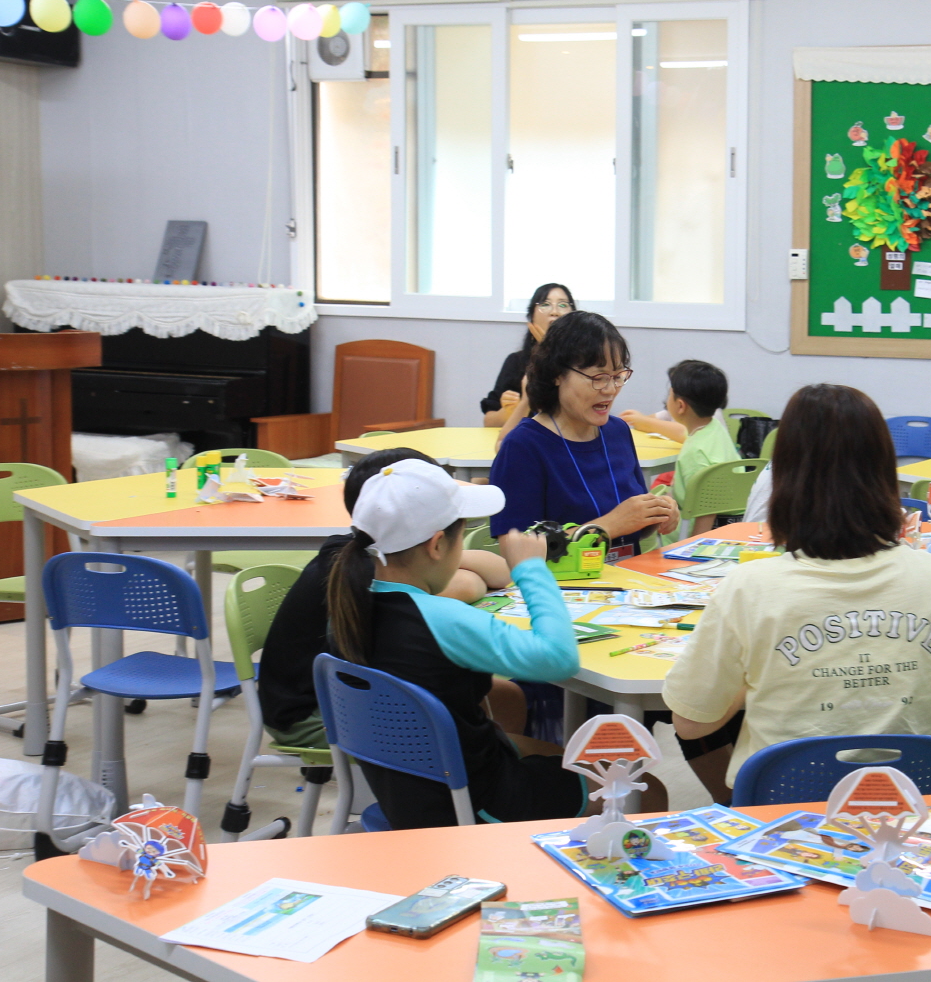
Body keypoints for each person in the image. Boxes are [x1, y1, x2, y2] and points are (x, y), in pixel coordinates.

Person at [661, 383, 931, 788]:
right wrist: (926, 670)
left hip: (785, 815)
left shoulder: (748, 589)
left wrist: (758, 680)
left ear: (783, 477)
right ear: (885, 471)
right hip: (914, 810)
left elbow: (692, 723)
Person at [326, 458, 585, 828]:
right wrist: (531, 570)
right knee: (641, 787)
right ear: (437, 545)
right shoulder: (441, 618)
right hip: (468, 801)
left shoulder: (347, 607)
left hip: (407, 789)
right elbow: (560, 658)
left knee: (549, 751)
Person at [257, 447, 515, 751]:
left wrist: (449, 558)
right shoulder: (367, 569)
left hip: (357, 692)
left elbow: (500, 573)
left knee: (508, 698)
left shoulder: (379, 554)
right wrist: (455, 563)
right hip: (312, 713)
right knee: (472, 702)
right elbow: (469, 586)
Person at [488, 310, 678, 559]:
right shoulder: (524, 446)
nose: (610, 389)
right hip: (562, 584)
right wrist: (607, 526)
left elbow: (629, 528)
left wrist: (654, 515)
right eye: (598, 377)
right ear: (557, 374)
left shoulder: (618, 432)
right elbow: (516, 554)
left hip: (626, 578)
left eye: (618, 376)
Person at [654, 359, 738, 535]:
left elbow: (706, 513)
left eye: (669, 394)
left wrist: (693, 548)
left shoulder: (695, 454)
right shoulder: (714, 428)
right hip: (732, 528)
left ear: (680, 406)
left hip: (695, 536)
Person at [481, 283, 575, 428]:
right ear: (532, 317)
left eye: (563, 305)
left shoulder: (585, 362)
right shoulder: (516, 362)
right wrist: (509, 411)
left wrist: (550, 351)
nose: (555, 311)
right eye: (545, 304)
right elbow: (489, 423)